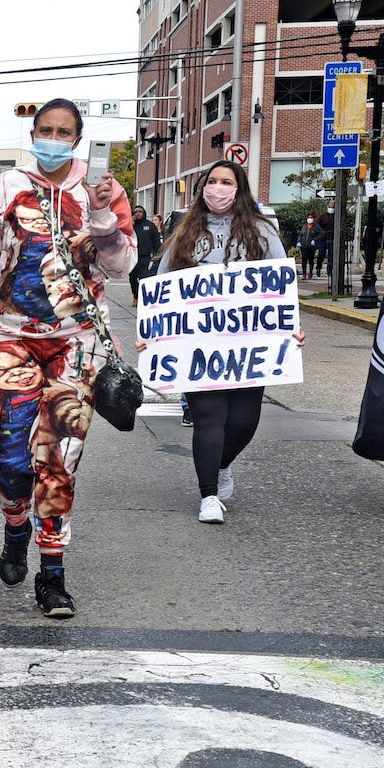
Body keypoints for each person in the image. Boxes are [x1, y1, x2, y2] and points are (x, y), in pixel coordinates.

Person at [0, 98, 136, 618]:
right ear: (33, 135)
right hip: (12, 337)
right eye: (45, 130)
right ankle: (15, 529)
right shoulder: (7, 187)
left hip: (77, 344)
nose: (53, 138)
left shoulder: (104, 189)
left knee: (58, 461)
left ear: (78, 139)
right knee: (11, 458)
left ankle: (52, 574)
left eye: (63, 131)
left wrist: (101, 215)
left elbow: (122, 266)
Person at [152, 162, 303, 525]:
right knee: (209, 417)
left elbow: (281, 285)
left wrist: (291, 328)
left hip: (249, 347)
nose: (217, 188)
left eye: (226, 182)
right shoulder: (185, 232)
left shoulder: (262, 232)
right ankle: (208, 495)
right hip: (198, 346)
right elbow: (163, 285)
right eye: (212, 181)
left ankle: (220, 464)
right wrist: (153, 334)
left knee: (243, 422)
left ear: (239, 189)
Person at [129, 204, 163, 301]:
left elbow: (156, 241)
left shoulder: (150, 226)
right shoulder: (130, 226)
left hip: (145, 257)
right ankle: (136, 296)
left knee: (144, 278)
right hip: (132, 256)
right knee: (132, 278)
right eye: (136, 212)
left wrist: (158, 254)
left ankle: (143, 297)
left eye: (140, 212)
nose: (138, 214)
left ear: (144, 213)